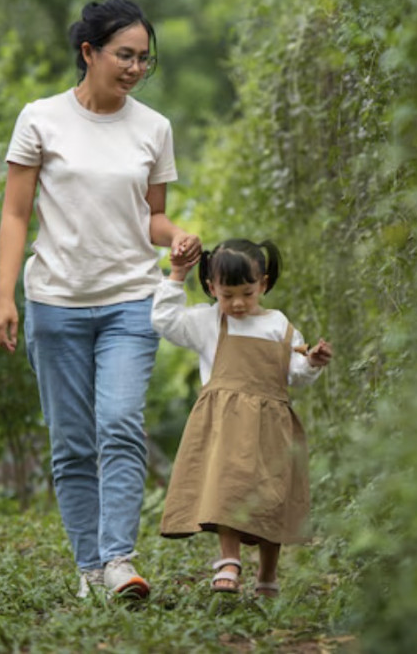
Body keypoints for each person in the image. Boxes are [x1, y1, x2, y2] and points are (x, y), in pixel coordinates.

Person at [0, 0, 201, 601]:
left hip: (131, 301)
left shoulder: (153, 127)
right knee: (74, 440)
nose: (135, 68)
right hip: (54, 302)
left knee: (119, 424)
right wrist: (5, 298)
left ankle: (118, 561)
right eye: (124, 55)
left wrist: (177, 236)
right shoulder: (40, 119)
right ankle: (89, 568)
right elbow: (14, 213)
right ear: (89, 52)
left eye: (144, 59)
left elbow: (153, 218)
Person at [151, 239, 333, 597]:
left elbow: (294, 374)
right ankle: (229, 561)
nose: (237, 303)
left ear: (263, 284)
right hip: (225, 426)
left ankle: (268, 575)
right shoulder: (208, 321)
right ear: (211, 288)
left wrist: (312, 362)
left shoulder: (279, 325)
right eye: (227, 294)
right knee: (227, 489)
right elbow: (166, 321)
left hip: (272, 427)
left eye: (247, 293)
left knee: (271, 497)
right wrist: (175, 276)